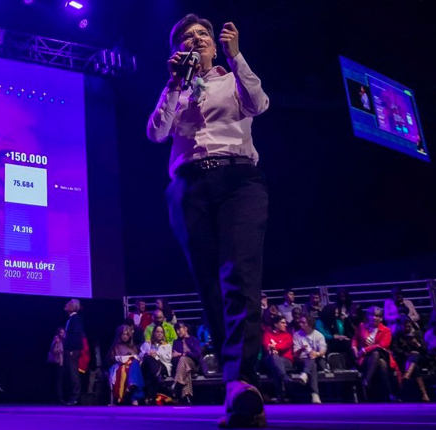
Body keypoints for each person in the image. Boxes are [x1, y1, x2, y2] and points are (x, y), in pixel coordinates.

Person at [150, 13, 269, 428]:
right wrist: (172, 84)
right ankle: (236, 386)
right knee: (208, 283)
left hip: (238, 178)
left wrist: (237, 58)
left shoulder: (231, 77)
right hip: (188, 185)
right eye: (186, 37)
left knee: (239, 274)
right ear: (177, 51)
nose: (195, 39)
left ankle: (241, 381)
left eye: (202, 34)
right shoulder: (177, 89)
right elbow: (156, 133)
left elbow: (259, 104)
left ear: (215, 45)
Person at [352, 307, 398, 401]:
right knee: (381, 363)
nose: (374, 318)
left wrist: (365, 349)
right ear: (368, 316)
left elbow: (382, 345)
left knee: (377, 353)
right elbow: (355, 339)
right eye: (372, 315)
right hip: (365, 359)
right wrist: (354, 347)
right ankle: (389, 394)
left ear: (381, 318)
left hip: (383, 355)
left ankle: (367, 381)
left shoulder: (386, 330)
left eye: (377, 316)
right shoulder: (362, 326)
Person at [262, 316, 304, 403]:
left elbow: (285, 346)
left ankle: (280, 394)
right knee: (274, 360)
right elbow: (266, 346)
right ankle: (285, 378)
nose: (285, 325)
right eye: (282, 323)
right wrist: (273, 349)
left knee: (275, 365)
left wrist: (274, 348)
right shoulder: (267, 334)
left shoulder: (288, 336)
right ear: (276, 324)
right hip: (270, 360)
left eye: (285, 323)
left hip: (286, 361)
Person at [390, 318, 430, 402]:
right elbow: (395, 349)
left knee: (415, 355)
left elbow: (425, 350)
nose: (407, 328)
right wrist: (406, 353)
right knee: (415, 368)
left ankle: (407, 375)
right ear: (400, 326)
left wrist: (417, 344)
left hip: (420, 358)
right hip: (403, 358)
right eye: (405, 327)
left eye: (409, 326)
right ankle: (424, 394)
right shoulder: (397, 335)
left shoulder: (417, 333)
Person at [293, 315, 326, 404]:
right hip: (302, 361)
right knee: (312, 365)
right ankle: (315, 394)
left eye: (303, 322)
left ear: (310, 324)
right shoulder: (297, 335)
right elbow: (295, 354)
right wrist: (301, 349)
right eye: (300, 322)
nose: (300, 324)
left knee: (313, 359)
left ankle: (305, 374)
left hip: (318, 360)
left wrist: (317, 354)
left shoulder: (318, 335)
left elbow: (323, 350)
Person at [109, 325, 145, 405]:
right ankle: (134, 397)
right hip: (120, 366)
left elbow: (138, 358)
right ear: (119, 335)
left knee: (135, 363)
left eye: (127, 334)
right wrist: (120, 358)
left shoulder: (133, 347)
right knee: (127, 368)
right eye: (123, 334)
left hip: (133, 367)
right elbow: (110, 359)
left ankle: (132, 386)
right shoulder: (116, 346)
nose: (125, 336)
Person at [140, 325, 173, 403]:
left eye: (161, 332)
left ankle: (149, 397)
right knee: (148, 359)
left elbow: (168, 358)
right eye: (157, 331)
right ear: (153, 333)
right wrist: (147, 353)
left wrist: (156, 353)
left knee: (150, 370)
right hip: (148, 367)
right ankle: (158, 380)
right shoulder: (147, 344)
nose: (159, 334)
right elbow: (140, 355)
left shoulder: (167, 345)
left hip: (162, 366)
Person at [61, 299, 85, 406]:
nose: (66, 305)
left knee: (73, 373)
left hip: (72, 350)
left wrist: (72, 349)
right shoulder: (71, 319)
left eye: (68, 304)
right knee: (70, 374)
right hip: (69, 349)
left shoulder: (76, 319)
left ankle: (75, 398)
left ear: (72, 307)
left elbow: (76, 336)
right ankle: (72, 397)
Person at [172, 322, 204, 404]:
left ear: (185, 329)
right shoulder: (176, 342)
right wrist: (185, 354)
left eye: (179, 329)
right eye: (176, 330)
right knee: (185, 367)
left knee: (183, 359)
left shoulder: (194, 340)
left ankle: (177, 385)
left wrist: (183, 354)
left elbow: (197, 355)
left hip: (194, 365)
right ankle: (186, 396)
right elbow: (174, 358)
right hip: (183, 367)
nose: (177, 332)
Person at [321, 288, 355, 354]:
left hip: (342, 338)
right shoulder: (321, 322)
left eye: (344, 296)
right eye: (341, 296)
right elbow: (324, 334)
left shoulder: (350, 307)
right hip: (331, 341)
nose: (343, 298)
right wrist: (335, 336)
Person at [48, 328, 65, 403]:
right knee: (58, 381)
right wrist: (58, 349)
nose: (63, 334)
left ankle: (62, 397)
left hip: (63, 363)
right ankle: (59, 398)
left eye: (64, 332)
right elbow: (53, 351)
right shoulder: (56, 340)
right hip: (58, 363)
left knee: (62, 381)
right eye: (61, 332)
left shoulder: (64, 340)